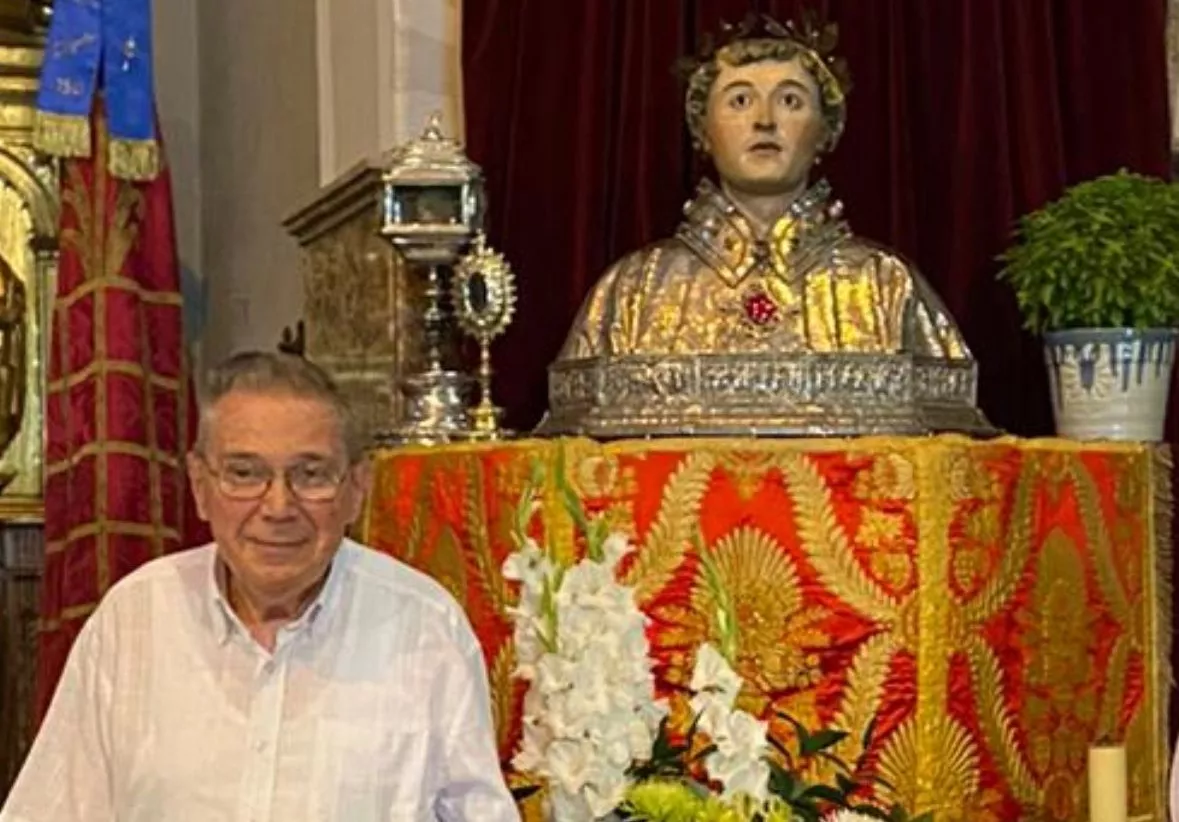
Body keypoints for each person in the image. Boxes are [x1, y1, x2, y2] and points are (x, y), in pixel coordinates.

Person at [1, 351, 520, 821]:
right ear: (200, 488)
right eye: (245, 473)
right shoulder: (134, 620)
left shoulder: (424, 627)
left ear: (356, 489)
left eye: (311, 474)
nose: (277, 507)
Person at [540, 12, 991, 438]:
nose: (764, 120)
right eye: (739, 99)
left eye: (790, 100)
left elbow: (956, 457)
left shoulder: (885, 285)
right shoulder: (633, 290)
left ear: (825, 130)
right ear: (702, 128)